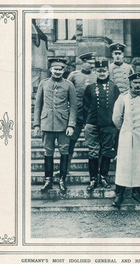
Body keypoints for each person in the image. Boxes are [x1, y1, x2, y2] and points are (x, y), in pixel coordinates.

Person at [111, 72, 140, 207]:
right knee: (124, 165)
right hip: (128, 136)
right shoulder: (123, 98)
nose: (137, 85)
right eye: (135, 82)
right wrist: (127, 130)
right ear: (130, 83)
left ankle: (136, 193)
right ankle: (119, 194)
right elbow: (116, 118)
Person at [33, 57, 78, 194]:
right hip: (46, 124)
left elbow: (74, 107)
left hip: (63, 125)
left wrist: (71, 125)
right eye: (55, 69)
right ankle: (48, 180)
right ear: (50, 69)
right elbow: (38, 106)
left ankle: (62, 180)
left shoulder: (69, 85)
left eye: (60, 69)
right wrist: (36, 124)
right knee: (48, 152)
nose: (58, 71)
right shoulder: (43, 83)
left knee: (64, 151)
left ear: (64, 70)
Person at [83, 59, 120, 192]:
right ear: (95, 72)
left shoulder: (114, 87)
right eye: (99, 71)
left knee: (106, 151)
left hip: (109, 125)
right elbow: (85, 107)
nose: (102, 73)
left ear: (108, 71)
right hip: (92, 124)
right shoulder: (90, 88)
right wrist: (86, 123)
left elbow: (118, 107)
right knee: (93, 152)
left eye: (104, 71)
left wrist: (115, 124)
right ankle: (93, 179)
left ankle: (103, 177)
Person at [63, 52, 97, 177]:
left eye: (93, 63)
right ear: (83, 62)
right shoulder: (74, 75)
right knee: (70, 143)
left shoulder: (96, 76)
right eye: (90, 63)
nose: (92, 66)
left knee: (93, 144)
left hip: (91, 116)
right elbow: (65, 90)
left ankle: (94, 173)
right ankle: (65, 170)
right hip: (76, 115)